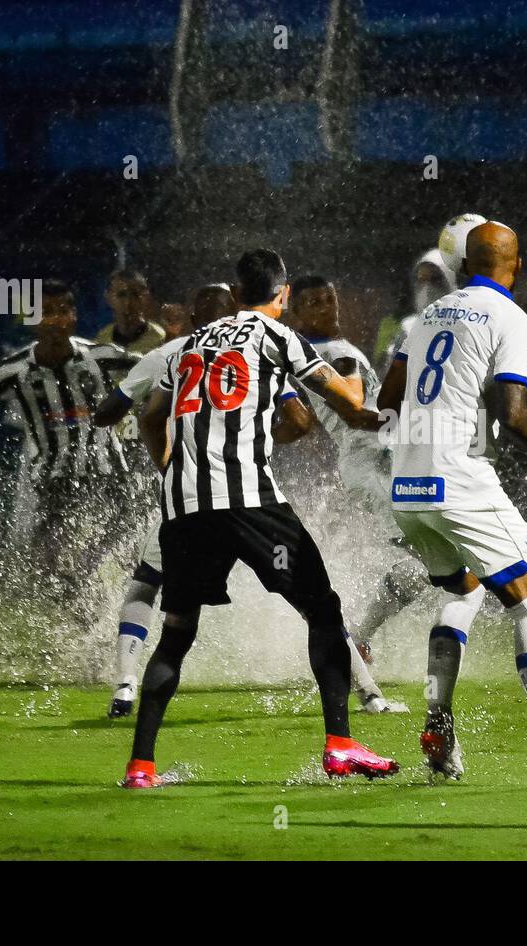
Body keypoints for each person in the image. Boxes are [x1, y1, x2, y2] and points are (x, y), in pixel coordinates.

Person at [121, 249, 399, 787]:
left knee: (176, 633)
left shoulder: (187, 348)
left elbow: (151, 418)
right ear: (284, 293)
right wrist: (376, 397)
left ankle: (140, 766)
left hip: (183, 507)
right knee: (322, 608)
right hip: (249, 500)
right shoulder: (280, 338)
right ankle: (341, 745)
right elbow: (352, 410)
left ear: (234, 290)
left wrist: (170, 465)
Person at [377, 221, 527, 786]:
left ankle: (438, 727)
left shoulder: (426, 318)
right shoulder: (512, 318)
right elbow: (512, 411)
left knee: (464, 593)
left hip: (408, 484)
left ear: (463, 266)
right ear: (518, 265)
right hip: (459, 477)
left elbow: (389, 398)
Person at [0, 280, 138, 585]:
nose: (57, 320)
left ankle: (96, 578)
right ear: (32, 319)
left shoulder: (100, 355)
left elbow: (154, 368)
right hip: (55, 476)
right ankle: (77, 596)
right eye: (46, 312)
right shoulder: (14, 369)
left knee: (121, 545)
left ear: (74, 316)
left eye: (63, 311)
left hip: (108, 470)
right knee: (51, 560)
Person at [91, 284, 237, 718]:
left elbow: (113, 412)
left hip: (187, 491)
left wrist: (164, 461)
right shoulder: (255, 347)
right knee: (309, 591)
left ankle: (125, 684)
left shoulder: (167, 355)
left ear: (192, 317)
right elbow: (296, 418)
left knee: (147, 583)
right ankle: (367, 692)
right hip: (248, 491)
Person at [279, 274, 421, 714]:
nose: (327, 307)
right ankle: (357, 639)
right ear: (296, 313)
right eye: (314, 303)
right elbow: (359, 409)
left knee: (427, 561)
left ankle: (359, 638)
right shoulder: (337, 356)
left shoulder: (306, 356)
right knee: (425, 560)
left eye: (330, 299)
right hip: (376, 464)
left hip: (372, 463)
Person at [98, 269, 167, 355]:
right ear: (108, 298)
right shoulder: (102, 340)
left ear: (145, 298)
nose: (128, 302)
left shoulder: (160, 339)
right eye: (121, 295)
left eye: (135, 295)